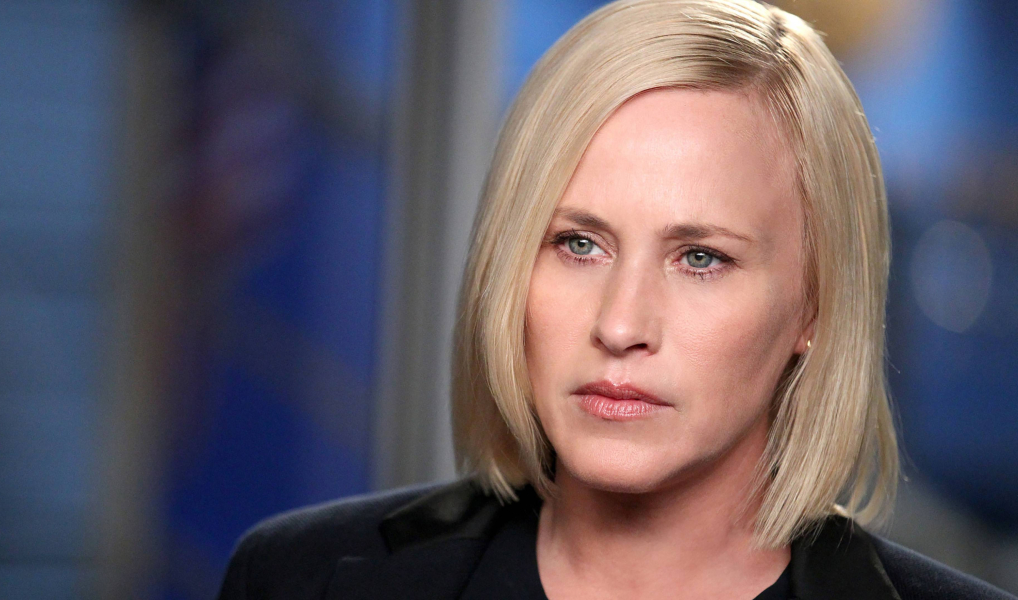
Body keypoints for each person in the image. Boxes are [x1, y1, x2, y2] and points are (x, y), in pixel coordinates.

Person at [217, 1, 1016, 598]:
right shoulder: (304, 579)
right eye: (578, 244)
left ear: (814, 307)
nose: (621, 324)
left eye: (700, 258)